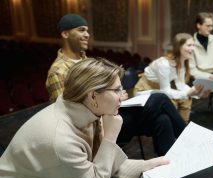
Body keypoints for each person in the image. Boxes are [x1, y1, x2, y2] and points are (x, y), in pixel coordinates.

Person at [0, 58, 169, 178]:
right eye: (117, 90)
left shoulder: (89, 112)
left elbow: (103, 165)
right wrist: (110, 138)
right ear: (93, 96)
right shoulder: (61, 139)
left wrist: (146, 165)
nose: (122, 95)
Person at [46, 14, 187, 158]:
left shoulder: (86, 61)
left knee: (163, 120)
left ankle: (169, 167)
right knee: (159, 98)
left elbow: (100, 91)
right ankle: (191, 140)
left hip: (112, 113)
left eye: (87, 30)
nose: (87, 34)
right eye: (81, 30)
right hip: (98, 127)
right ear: (65, 33)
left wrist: (116, 95)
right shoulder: (58, 72)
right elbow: (68, 116)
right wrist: (109, 101)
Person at [134, 33, 210, 122]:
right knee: (172, 104)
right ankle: (170, 131)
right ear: (178, 47)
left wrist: (198, 93)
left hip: (160, 89)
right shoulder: (164, 64)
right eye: (189, 45)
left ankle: (182, 129)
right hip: (145, 89)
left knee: (186, 99)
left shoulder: (183, 62)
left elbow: (180, 84)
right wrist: (187, 93)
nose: (192, 48)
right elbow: (165, 91)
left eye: (193, 45)